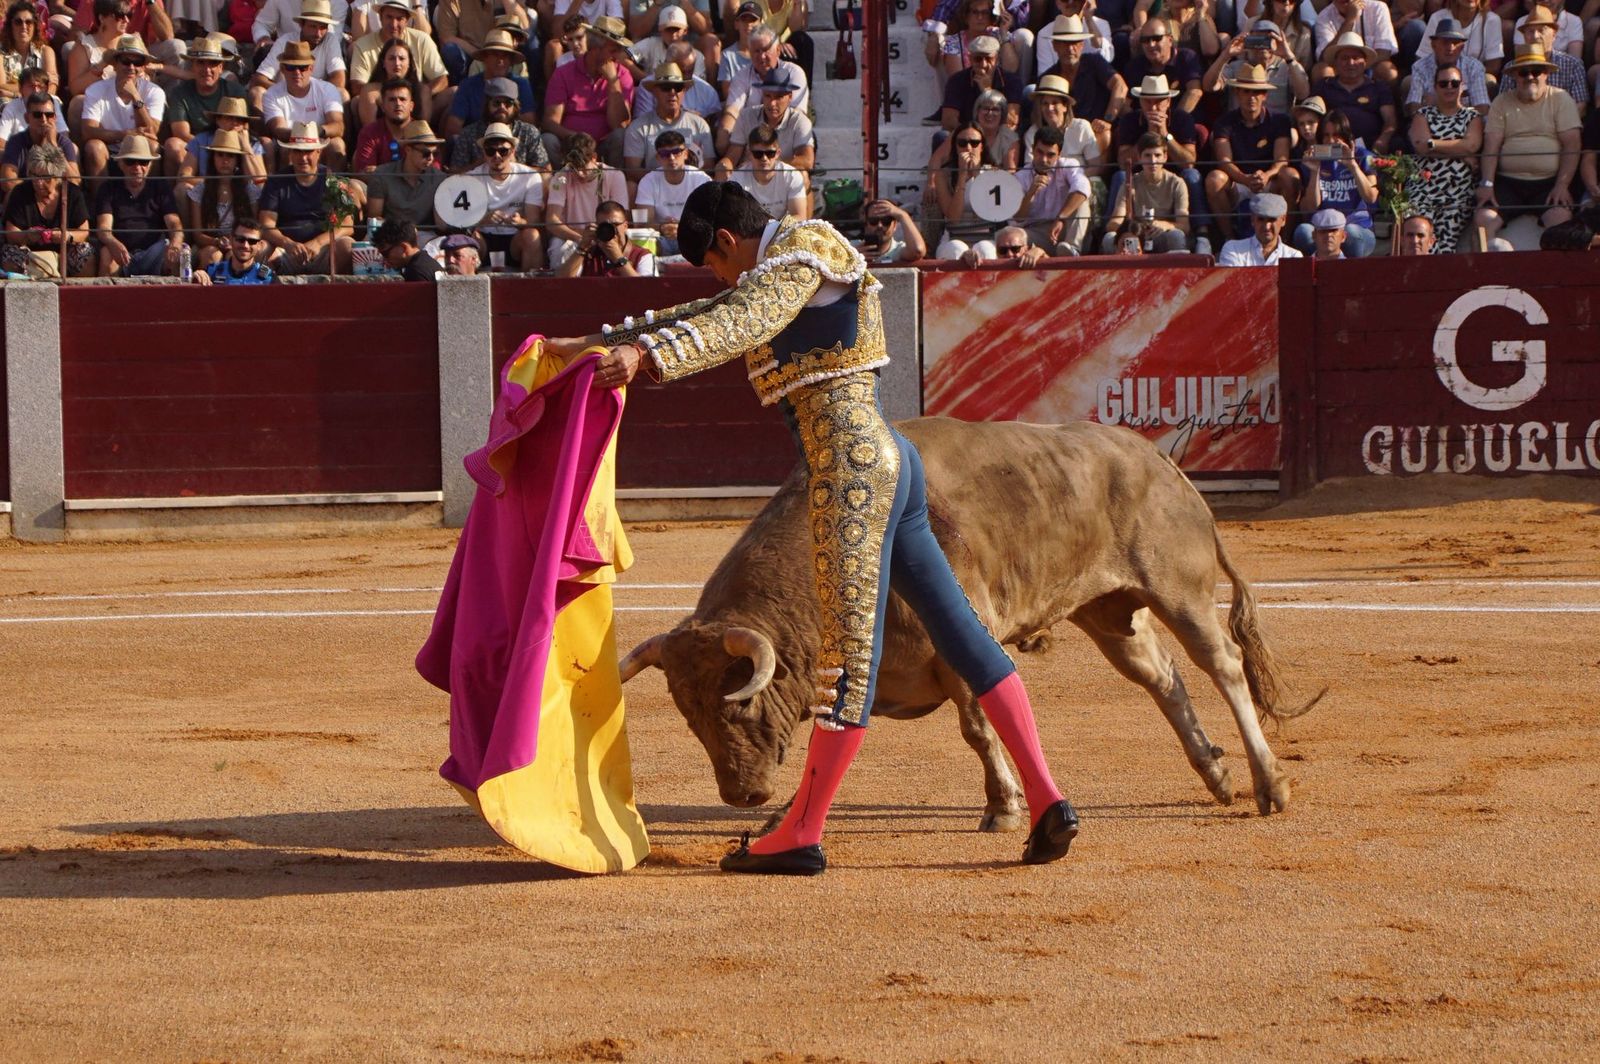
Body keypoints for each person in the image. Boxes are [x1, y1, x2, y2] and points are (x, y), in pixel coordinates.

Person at [548, 181, 1080, 876]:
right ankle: (1046, 800)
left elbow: (738, 320)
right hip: (889, 462)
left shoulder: (799, 257)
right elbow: (712, 309)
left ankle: (802, 831)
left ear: (729, 242)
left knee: (845, 664)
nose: (718, 276)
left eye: (714, 262)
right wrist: (597, 343)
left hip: (851, 473)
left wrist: (648, 361)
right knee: (963, 638)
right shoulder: (787, 263)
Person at [1476, 42, 1579, 243]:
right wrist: (1487, 184)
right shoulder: (1501, 102)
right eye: (1524, 72)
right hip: (1508, 182)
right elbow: (1491, 147)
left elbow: (1572, 145)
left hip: (1548, 183)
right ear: (1515, 76)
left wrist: (1562, 185)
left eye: (1536, 71)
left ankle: (1554, 274)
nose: (1530, 76)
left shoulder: (1561, 99)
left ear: (1546, 74)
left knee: (1561, 220)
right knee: (1483, 219)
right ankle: (1485, 274)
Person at [1206, 62, 1297, 240]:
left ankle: (1285, 239)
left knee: (1291, 176)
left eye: (1256, 92)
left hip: (1270, 181)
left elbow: (1282, 159)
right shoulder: (1224, 122)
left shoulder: (1280, 121)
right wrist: (1245, 179)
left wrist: (1267, 175)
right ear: (1237, 93)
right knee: (1214, 180)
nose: (1251, 97)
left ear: (1265, 95)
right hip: (1238, 182)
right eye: (1246, 91)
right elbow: (1225, 161)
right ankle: (1229, 239)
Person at [1405, 60, 1483, 252]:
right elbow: (1421, 146)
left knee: (1445, 245)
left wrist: (1434, 143)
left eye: (1454, 83)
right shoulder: (1422, 114)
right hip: (1423, 188)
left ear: (1462, 86)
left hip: (1458, 190)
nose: (1449, 87)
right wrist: (1461, 153)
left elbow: (1472, 144)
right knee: (1419, 241)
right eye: (1443, 83)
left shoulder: (1472, 116)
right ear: (1435, 87)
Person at [257, 121, 353, 274]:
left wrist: (318, 242)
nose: (303, 157)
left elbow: (347, 224)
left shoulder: (333, 180)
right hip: (286, 252)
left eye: (308, 151)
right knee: (260, 249)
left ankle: (336, 292)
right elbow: (266, 225)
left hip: (323, 251)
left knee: (348, 246)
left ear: (318, 152)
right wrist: (288, 243)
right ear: (290, 153)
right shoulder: (276, 181)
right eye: (297, 151)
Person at [1110, 74, 1201, 228]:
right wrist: (1147, 137)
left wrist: (1165, 135)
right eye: (1147, 101)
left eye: (1158, 101)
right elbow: (1122, 163)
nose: (1153, 107)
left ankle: (1201, 232)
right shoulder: (1129, 120)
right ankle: (1114, 231)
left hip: (1174, 174)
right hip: (1140, 172)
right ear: (1140, 101)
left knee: (1192, 176)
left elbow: (1189, 162)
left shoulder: (1182, 119)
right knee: (1120, 176)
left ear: (1168, 101)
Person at [543, 15, 635, 165]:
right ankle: (562, 183)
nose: (618, 55)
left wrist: (613, 81)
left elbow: (619, 124)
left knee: (621, 135)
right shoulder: (563, 73)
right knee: (548, 140)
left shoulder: (622, 74)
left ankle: (613, 182)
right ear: (596, 49)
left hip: (605, 145)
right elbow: (550, 122)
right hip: (571, 145)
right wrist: (576, 137)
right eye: (613, 50)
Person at [93, 132, 184, 275]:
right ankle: (106, 297)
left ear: (150, 165)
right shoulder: (108, 188)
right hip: (121, 253)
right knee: (106, 253)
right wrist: (113, 243)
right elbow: (104, 228)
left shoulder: (161, 187)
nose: (137, 167)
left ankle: (176, 297)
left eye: (143, 162)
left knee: (181, 252)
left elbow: (174, 223)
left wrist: (176, 243)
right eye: (131, 161)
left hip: (153, 252)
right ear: (121, 163)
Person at [349, 0, 447, 128]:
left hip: (415, 98)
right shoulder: (363, 44)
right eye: (389, 17)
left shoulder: (422, 39)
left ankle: (421, 135)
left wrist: (419, 94)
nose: (394, 24)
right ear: (380, 17)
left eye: (399, 18)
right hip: (379, 100)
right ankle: (372, 138)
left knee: (447, 93)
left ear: (407, 20)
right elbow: (357, 86)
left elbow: (442, 79)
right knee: (359, 100)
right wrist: (390, 96)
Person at [1037, 14, 1125, 157]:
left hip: (1096, 135)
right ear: (1054, 46)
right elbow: (1038, 114)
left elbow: (1120, 85)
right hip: (1062, 143)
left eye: (1075, 43)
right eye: (1065, 43)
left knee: (1105, 134)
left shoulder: (1094, 62)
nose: (1071, 48)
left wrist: (1108, 119)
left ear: (1082, 44)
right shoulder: (1048, 78)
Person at [78, 33, 165, 177]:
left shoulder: (155, 91)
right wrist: (124, 135)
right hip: (108, 151)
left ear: (143, 67)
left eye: (137, 63)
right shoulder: (95, 90)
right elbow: (88, 131)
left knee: (153, 146)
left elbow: (151, 131)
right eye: (126, 61)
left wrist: (135, 97)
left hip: (139, 154)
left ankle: (148, 197)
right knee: (94, 147)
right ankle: (99, 198)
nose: (131, 67)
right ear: (115, 64)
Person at [1293, 110, 1377, 256]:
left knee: (1351, 232)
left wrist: (1352, 165)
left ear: (1346, 135)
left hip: (1358, 228)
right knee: (1303, 232)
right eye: (1326, 135)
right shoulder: (1315, 158)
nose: (1331, 141)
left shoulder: (1363, 155)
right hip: (1324, 229)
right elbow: (1312, 206)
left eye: (1336, 135)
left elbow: (1371, 197)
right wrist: (1315, 171)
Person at [2, 142, 93, 276]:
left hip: (65, 252)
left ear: (58, 177)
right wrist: (27, 235)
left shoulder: (73, 193)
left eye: (45, 178)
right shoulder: (20, 193)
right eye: (35, 176)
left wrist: (66, 236)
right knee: (9, 254)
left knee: (86, 251)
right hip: (30, 254)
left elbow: (84, 231)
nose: (39, 183)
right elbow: (10, 233)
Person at [161, 35, 246, 176]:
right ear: (192, 65)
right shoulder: (180, 92)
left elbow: (243, 127)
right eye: (201, 63)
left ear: (221, 67)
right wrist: (208, 148)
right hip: (195, 147)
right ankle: (170, 196)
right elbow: (180, 132)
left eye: (212, 63)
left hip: (231, 147)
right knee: (173, 145)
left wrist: (220, 149)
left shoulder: (235, 90)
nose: (207, 69)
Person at [468, 120, 546, 268]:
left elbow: (535, 221)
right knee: (465, 238)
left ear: (512, 151)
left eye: (503, 151)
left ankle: (534, 288)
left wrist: (521, 222)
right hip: (483, 239)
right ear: (483, 153)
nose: (497, 156)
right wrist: (484, 219)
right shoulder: (471, 178)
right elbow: (462, 221)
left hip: (515, 239)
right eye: (490, 151)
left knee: (532, 235)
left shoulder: (529, 176)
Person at [545, 130, 627, 265]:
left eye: (583, 168)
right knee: (557, 249)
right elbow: (552, 220)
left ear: (594, 157)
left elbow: (620, 220)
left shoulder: (615, 176)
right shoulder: (561, 177)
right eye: (574, 168)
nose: (580, 174)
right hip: (570, 236)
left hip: (606, 235)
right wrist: (580, 238)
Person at [623, 61, 713, 183]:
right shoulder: (638, 127)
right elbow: (632, 170)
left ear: (684, 91)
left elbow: (708, 164)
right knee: (631, 187)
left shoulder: (699, 124)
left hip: (692, 186)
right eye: (666, 87)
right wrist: (667, 180)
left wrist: (683, 181)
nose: (672, 92)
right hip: (654, 188)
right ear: (654, 92)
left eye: (678, 88)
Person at [250, 0, 346, 114]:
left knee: (342, 94)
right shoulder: (285, 40)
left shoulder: (330, 40)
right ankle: (265, 131)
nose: (318, 33)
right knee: (257, 92)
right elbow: (259, 78)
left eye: (323, 27)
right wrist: (287, 91)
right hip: (283, 97)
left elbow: (339, 80)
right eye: (313, 26)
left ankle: (338, 132)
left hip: (318, 98)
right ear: (301, 24)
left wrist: (309, 94)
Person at [1101, 130, 1190, 252]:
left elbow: (1184, 226)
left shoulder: (1177, 183)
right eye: (1147, 155)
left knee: (1176, 236)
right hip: (1136, 238)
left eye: (1157, 155)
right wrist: (1134, 229)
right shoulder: (1130, 184)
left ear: (1165, 157)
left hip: (1161, 235)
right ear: (1139, 158)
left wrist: (1165, 225)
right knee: (1109, 239)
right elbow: (1113, 223)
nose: (1153, 161)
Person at [263, 40, 346, 169]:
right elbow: (279, 130)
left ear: (311, 69)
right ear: (282, 69)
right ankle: (289, 188)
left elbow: (338, 126)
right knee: (288, 151)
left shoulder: (328, 89)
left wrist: (315, 133)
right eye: (291, 67)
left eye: (303, 68)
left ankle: (333, 186)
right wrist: (304, 139)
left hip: (320, 142)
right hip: (290, 144)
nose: (297, 73)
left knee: (337, 145)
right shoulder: (271, 94)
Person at [185, 127, 261, 264]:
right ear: (212, 158)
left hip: (242, 243)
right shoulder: (200, 190)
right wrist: (217, 241)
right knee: (212, 256)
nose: (225, 160)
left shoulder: (249, 190)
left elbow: (254, 228)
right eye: (220, 155)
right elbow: (197, 235)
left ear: (237, 160)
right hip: (208, 244)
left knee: (235, 257)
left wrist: (235, 242)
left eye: (230, 156)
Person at [718, 68, 811, 179]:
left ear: (790, 97)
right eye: (768, 96)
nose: (772, 103)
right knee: (721, 171)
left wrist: (770, 166)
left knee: (803, 176)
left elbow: (807, 160)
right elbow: (733, 155)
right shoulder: (746, 116)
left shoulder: (800, 121)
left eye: (778, 97)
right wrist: (724, 166)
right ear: (762, 95)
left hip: (782, 178)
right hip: (749, 178)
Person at [1313, 31, 1397, 152]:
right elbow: (1311, 118)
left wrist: (1384, 139)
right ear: (1335, 62)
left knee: (1397, 143)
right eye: (1345, 58)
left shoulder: (1379, 87)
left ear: (1365, 62)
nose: (1351, 63)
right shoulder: (1323, 86)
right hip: (1331, 150)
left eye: (1356, 58)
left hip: (1371, 149)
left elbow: (1390, 119)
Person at [1204, 20, 1309, 114]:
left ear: (1278, 42)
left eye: (1268, 39)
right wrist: (1225, 55)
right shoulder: (1236, 67)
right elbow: (1209, 86)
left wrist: (1289, 57)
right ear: (1248, 41)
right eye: (1257, 39)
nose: (1263, 44)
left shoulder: (1287, 68)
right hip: (1240, 127)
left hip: (1276, 128)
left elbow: (1303, 93)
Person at [445, 28, 535, 136]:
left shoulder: (521, 85)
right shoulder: (468, 86)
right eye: (495, 54)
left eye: (505, 55)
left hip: (512, 144)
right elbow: (453, 127)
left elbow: (529, 124)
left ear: (511, 61)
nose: (500, 60)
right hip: (475, 144)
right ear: (484, 58)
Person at [1015, 125, 1090, 253]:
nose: (1044, 159)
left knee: (1082, 201)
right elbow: (1017, 218)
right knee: (1008, 234)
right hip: (1036, 233)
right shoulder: (1020, 177)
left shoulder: (1069, 165)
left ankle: (1072, 250)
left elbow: (1083, 188)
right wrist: (1030, 193)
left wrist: (1060, 218)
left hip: (1066, 229)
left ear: (1059, 154)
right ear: (1032, 149)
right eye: (1040, 152)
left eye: (1050, 155)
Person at [1497, 7, 1586, 115]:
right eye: (1530, 31)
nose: (1535, 36)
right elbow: (1503, 104)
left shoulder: (1573, 65)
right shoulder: (1512, 68)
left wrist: (1557, 125)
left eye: (1541, 30)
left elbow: (1580, 105)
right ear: (1524, 36)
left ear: (1554, 35)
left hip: (1561, 126)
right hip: (1521, 126)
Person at [449, 76, 550, 170]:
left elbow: (545, 172)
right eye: (497, 103)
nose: (502, 107)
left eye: (508, 103)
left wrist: (514, 166)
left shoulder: (529, 132)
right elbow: (454, 174)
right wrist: (483, 163)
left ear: (515, 106)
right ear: (487, 105)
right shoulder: (469, 134)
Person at [635, 128, 710, 253]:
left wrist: (683, 228)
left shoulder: (700, 179)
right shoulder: (648, 181)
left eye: (676, 152)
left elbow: (709, 218)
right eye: (665, 153)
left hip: (694, 236)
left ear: (686, 154)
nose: (671, 157)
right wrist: (662, 227)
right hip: (661, 238)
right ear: (658, 157)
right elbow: (643, 223)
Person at [933, 123, 1001, 258]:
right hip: (953, 237)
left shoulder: (994, 173)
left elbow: (991, 212)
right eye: (962, 143)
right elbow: (953, 218)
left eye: (974, 143)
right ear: (955, 147)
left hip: (985, 236)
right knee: (957, 249)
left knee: (985, 250)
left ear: (982, 146)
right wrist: (962, 176)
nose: (968, 148)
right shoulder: (943, 174)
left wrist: (977, 175)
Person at [365, 118, 445, 230]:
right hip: (391, 234)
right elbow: (374, 218)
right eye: (425, 153)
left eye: (434, 153)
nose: (431, 158)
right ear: (408, 150)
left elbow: (442, 225)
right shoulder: (382, 175)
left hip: (426, 237)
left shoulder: (439, 179)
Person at [1404, 16, 1491, 118]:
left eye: (1455, 43)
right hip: (1430, 123)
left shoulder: (1474, 67)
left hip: (1466, 124)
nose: (1450, 48)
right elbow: (1414, 107)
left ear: (1462, 47)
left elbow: (1482, 108)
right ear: (1434, 45)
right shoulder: (1419, 67)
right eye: (1445, 42)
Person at [938, 31, 1024, 131]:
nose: (983, 64)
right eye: (978, 59)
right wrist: (975, 137)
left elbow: (1011, 122)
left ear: (996, 59)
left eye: (988, 59)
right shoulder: (957, 80)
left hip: (1000, 137)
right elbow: (949, 121)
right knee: (941, 136)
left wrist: (987, 92)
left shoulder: (1012, 81)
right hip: (968, 138)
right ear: (970, 59)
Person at [553, 196, 657, 275]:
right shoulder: (587, 253)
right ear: (597, 226)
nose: (611, 229)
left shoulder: (642, 255)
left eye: (615, 224)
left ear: (625, 225)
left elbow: (646, 290)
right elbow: (562, 284)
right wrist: (582, 247)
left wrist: (619, 259)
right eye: (604, 225)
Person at [1122, 17, 1203, 113]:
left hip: (1181, 122)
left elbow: (1194, 91)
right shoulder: (1135, 66)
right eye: (1145, 40)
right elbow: (1124, 103)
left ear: (1170, 40)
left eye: (1157, 38)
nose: (1151, 44)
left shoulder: (1186, 58)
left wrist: (1171, 121)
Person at [727, 120, 806, 218]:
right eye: (758, 154)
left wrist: (775, 229)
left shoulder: (792, 176)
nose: (764, 158)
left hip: (782, 230)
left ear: (778, 153)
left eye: (770, 154)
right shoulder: (736, 179)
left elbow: (799, 215)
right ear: (749, 154)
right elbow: (734, 216)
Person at [1, 90, 78, 186]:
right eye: (37, 115)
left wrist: (53, 147)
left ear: (55, 118)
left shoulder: (63, 143)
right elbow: (8, 182)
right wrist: (38, 191)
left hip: (54, 198)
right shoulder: (16, 142)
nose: (44, 120)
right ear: (27, 118)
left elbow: (75, 182)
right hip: (27, 199)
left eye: (49, 115)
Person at [1310, 0, 1398, 83]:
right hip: (1340, 69)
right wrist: (1349, 20)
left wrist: (1357, 67)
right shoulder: (1324, 17)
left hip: (1371, 66)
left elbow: (1384, 53)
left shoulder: (1378, 8)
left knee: (1387, 70)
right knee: (1321, 70)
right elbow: (1325, 57)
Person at [1216, 190, 1302, 264]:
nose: (1267, 226)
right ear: (1252, 220)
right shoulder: (1233, 249)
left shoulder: (1294, 256)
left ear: (1283, 220)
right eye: (1261, 219)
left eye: (1272, 220)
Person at [352, 76, 415, 171]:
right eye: (392, 100)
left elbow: (433, 172)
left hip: (416, 185)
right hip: (377, 185)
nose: (398, 104)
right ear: (382, 107)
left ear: (411, 106)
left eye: (402, 99)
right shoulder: (369, 133)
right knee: (354, 184)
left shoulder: (423, 132)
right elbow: (365, 173)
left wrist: (380, 171)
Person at [194, 215, 276, 283]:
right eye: (240, 239)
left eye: (252, 241)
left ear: (259, 245)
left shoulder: (268, 278)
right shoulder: (212, 271)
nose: (245, 245)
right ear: (231, 240)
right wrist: (197, 277)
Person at [0, 1, 55, 101]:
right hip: (10, 104)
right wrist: (37, 86)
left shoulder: (46, 52)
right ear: (10, 26)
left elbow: (51, 87)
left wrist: (14, 92)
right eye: (18, 22)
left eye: (29, 22)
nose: (24, 27)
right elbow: (1, 86)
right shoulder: (1, 53)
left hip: (41, 104)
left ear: (35, 26)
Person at [855, 197, 927, 263]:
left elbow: (918, 250)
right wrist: (853, 257)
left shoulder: (898, 250)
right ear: (866, 225)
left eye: (886, 221)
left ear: (895, 225)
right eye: (873, 221)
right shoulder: (852, 248)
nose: (880, 226)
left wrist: (903, 215)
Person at [375, 216, 443, 279]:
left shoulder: (415, 272)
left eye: (385, 254)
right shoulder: (427, 262)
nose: (384, 260)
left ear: (403, 248)